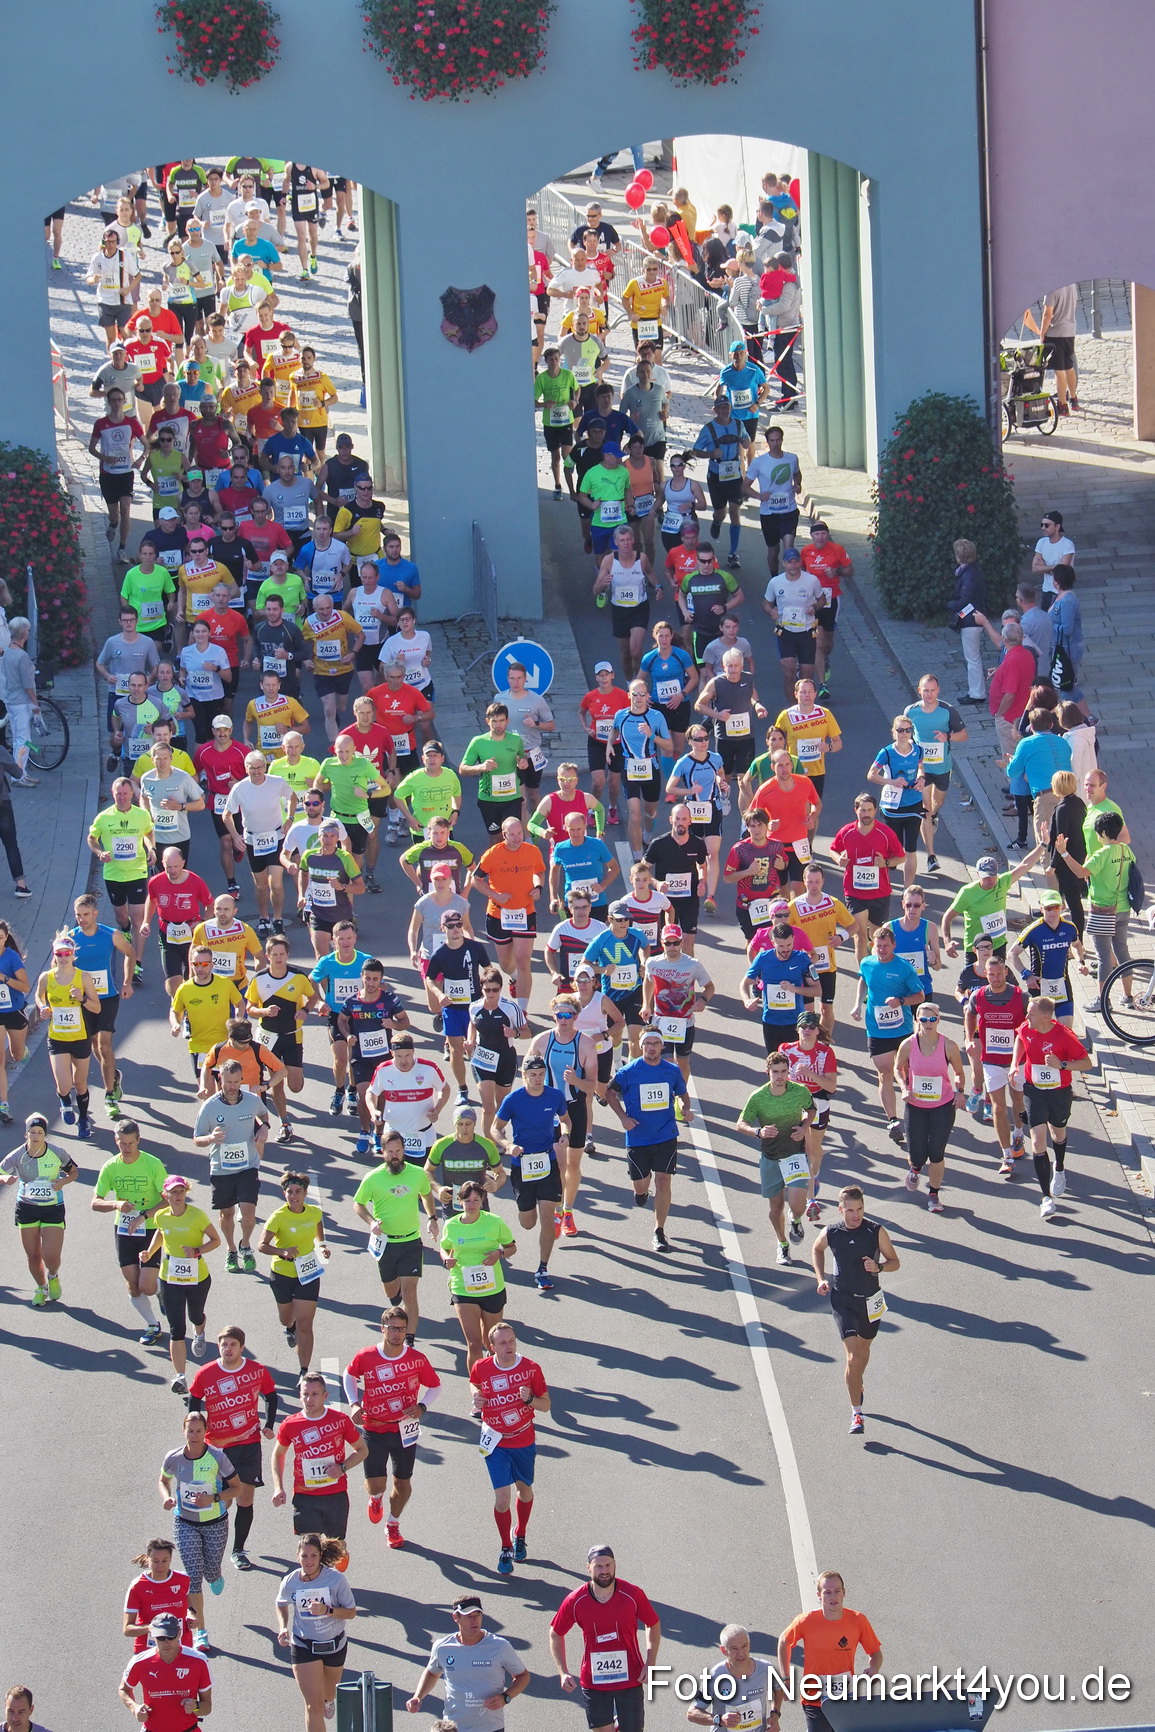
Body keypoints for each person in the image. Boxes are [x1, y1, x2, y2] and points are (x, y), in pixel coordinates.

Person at [343, 1304, 441, 1550]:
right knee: (377, 1484)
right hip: (374, 1428)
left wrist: (422, 1407)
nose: (398, 1334)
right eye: (393, 1329)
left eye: (402, 1329)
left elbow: (435, 1386)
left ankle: (393, 1523)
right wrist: (354, 1403)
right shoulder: (366, 1356)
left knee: (402, 1482)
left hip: (404, 1430)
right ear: (382, 1329)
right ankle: (375, 1499)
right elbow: (349, 1375)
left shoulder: (417, 1359)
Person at [187, 1322, 277, 1571]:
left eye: (233, 1345)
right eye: (224, 1344)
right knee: (217, 1501)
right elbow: (195, 1399)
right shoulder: (205, 1373)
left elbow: (270, 1394)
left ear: (242, 1348)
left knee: (244, 1498)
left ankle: (238, 1550)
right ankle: (207, 1543)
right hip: (215, 1446)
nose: (228, 1348)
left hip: (248, 1443)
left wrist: (268, 1423)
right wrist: (194, 1430)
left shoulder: (256, 1370)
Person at [810, 1191, 900, 1437]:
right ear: (841, 1210)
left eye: (859, 1209)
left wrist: (879, 1266)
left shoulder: (876, 1231)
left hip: (870, 1301)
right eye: (850, 1210)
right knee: (852, 1358)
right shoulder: (832, 1232)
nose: (856, 1215)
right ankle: (856, 1412)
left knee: (863, 1352)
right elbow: (817, 1250)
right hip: (843, 1300)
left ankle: (857, 1379)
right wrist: (820, 1279)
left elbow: (895, 1261)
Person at [550, 1544, 661, 1732]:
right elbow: (555, 1633)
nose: (605, 1571)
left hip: (631, 1678)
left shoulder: (633, 1594)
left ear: (615, 1565)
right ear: (588, 1567)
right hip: (595, 1681)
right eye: (599, 1566)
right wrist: (563, 1672)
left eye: (608, 1565)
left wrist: (650, 1662)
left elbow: (653, 1623)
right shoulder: (576, 1600)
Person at [606, 1028, 692, 1254]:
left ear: (662, 1046)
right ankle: (642, 1192)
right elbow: (609, 1093)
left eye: (656, 1043)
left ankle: (659, 1230)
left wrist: (685, 1108)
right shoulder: (628, 1071)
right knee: (642, 1183)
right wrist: (623, 1118)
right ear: (641, 1046)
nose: (652, 1047)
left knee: (664, 1182)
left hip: (666, 1134)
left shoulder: (671, 1071)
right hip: (638, 1137)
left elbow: (683, 1094)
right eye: (648, 1043)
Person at [159, 1409, 237, 1653]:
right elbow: (163, 1480)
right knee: (193, 1577)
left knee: (210, 1571)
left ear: (206, 1433)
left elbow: (236, 1487)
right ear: (183, 1431)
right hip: (185, 1522)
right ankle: (201, 1632)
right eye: (190, 1431)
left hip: (215, 1522)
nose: (194, 1435)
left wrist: (214, 1498)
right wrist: (167, 1498)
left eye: (199, 1431)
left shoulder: (216, 1457)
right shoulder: (173, 1458)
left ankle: (215, 1574)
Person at [1011, 996, 1093, 1218]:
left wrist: (1062, 1064)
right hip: (1034, 1090)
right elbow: (1020, 1037)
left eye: (1031, 1013)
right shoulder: (1027, 1027)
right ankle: (1046, 1197)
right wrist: (1014, 1064)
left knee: (1058, 1134)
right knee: (1037, 1140)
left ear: (1045, 1017)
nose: (1026, 1016)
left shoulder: (1064, 1035)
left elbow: (1087, 1063)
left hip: (1059, 1092)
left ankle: (1059, 1168)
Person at [353, 1125, 439, 1337]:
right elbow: (358, 1204)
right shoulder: (373, 1178)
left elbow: (427, 1194)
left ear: (404, 1150)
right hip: (386, 1243)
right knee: (393, 1294)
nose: (395, 1156)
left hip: (411, 1242)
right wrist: (371, 1223)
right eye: (390, 1152)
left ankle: (409, 1339)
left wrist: (432, 1218)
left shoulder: (417, 1174)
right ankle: (395, 1291)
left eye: (398, 1151)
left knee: (411, 1293)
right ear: (383, 1152)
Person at [494, 1054, 569, 1292]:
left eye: (541, 1075)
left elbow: (566, 1120)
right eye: (533, 1075)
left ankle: (543, 1268)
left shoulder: (554, 1096)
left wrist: (565, 1133)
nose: (538, 1079)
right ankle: (532, 1215)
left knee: (547, 1219)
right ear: (524, 1076)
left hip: (547, 1162)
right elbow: (495, 1128)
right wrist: (507, 1146)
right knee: (528, 1223)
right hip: (522, 1166)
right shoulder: (513, 1099)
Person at [91, 1119, 168, 1342]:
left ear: (138, 1141)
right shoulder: (111, 1166)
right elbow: (95, 1202)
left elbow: (168, 1199)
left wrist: (144, 1215)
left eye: (131, 1143)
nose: (126, 1148)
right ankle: (152, 1325)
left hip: (151, 1228)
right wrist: (115, 1204)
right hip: (124, 1230)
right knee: (134, 1285)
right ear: (116, 1141)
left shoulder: (153, 1164)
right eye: (122, 1143)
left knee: (147, 1285)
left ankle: (160, 1289)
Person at [192, 1059, 270, 1273]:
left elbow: (263, 1114)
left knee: (248, 1212)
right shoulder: (210, 1106)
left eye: (236, 1081)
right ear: (220, 1080)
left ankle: (245, 1245)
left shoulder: (252, 1101)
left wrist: (264, 1127)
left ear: (241, 1080)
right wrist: (210, 1138)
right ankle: (231, 1249)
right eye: (228, 1082)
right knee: (226, 1214)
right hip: (221, 1168)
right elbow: (197, 1139)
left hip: (248, 1166)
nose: (232, 1086)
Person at [272, 1370, 368, 1544]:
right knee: (309, 1548)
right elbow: (278, 1454)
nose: (309, 1399)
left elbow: (362, 1450)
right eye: (305, 1395)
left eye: (314, 1394)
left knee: (336, 1549)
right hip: (305, 1496)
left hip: (335, 1495)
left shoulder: (340, 1420)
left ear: (325, 1396)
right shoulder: (290, 1424)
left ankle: (332, 1571)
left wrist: (342, 1467)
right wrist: (278, 1487)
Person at [737, 1051, 815, 1264]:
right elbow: (740, 1124)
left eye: (783, 1072)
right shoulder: (758, 1097)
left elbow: (810, 1110)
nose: (780, 1076)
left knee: (798, 1204)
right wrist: (758, 1132)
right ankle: (782, 1244)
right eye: (775, 1072)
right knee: (776, 1207)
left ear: (788, 1071)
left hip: (794, 1155)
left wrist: (804, 1127)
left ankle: (796, 1219)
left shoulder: (800, 1091)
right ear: (768, 1072)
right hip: (771, 1157)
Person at [407, 1593, 531, 1725]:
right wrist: (418, 1696)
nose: (475, 1620)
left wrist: (505, 1697)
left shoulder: (499, 1646)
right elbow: (432, 1673)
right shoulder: (442, 1647)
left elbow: (523, 1676)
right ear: (456, 1617)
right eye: (469, 1616)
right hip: (453, 1726)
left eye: (478, 1615)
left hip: (490, 1727)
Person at [851, 926, 925, 1143]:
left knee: (907, 1071)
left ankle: (916, 1114)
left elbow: (919, 995)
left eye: (886, 946)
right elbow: (863, 981)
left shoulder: (904, 968)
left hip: (901, 1029)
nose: (881, 950)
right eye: (878, 946)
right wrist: (857, 1005)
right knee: (885, 1072)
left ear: (894, 945)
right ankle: (893, 1120)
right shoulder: (867, 963)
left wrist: (900, 1001)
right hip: (876, 1028)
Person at [277, 1533, 357, 1732]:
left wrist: (327, 1610)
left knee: (327, 1696)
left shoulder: (336, 1579)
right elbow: (280, 1603)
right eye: (304, 1556)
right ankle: (322, 1704)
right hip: (304, 1646)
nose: (309, 1561)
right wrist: (283, 1626)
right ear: (297, 1556)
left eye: (313, 1555)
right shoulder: (290, 1581)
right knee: (313, 1706)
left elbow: (351, 1612)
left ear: (320, 1555)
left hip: (334, 1645)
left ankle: (329, 1700)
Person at [774, 1572, 882, 1718]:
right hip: (814, 1697)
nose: (833, 1596)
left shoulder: (858, 1620)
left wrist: (874, 1667)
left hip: (845, 1696)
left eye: (837, 1591)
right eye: (827, 1592)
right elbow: (784, 1641)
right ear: (819, 1595)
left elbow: (875, 1653)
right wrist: (786, 1678)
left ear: (844, 1593)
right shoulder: (805, 1621)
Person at [894, 1005, 966, 1213]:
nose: (927, 1024)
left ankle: (934, 1194)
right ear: (917, 1020)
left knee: (936, 1152)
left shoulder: (949, 1046)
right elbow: (898, 1068)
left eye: (931, 1020)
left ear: (938, 1020)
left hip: (942, 1105)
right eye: (923, 1020)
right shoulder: (908, 1045)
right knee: (916, 1153)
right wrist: (904, 1087)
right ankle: (915, 1168)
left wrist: (959, 1090)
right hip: (915, 1105)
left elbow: (959, 1072)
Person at [0, 1111, 77, 1307]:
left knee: (50, 1256)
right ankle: (41, 1287)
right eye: (32, 1132)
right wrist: (5, 1178)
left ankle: (53, 1275)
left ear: (45, 1134)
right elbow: (0, 1170)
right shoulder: (18, 1155)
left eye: (39, 1132)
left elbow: (73, 1171)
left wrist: (63, 1182)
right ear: (26, 1134)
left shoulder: (58, 1152)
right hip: (26, 1208)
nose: (35, 1136)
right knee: (33, 1255)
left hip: (53, 1207)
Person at [257, 1172, 330, 1372]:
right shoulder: (278, 1217)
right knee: (286, 1318)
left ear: (305, 1193)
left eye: (298, 1191)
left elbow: (318, 1224)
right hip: (282, 1274)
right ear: (284, 1194)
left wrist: (321, 1245)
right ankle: (290, 1328)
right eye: (290, 1192)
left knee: (305, 1324)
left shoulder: (314, 1212)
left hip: (307, 1273)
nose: (294, 1195)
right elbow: (262, 1245)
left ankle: (304, 1371)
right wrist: (282, 1252)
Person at [440, 1177, 516, 1366]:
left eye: (476, 1200)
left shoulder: (494, 1222)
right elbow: (444, 1247)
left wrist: (499, 1253)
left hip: (491, 1287)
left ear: (483, 1201)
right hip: (463, 1287)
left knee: (491, 1343)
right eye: (467, 1200)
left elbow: (511, 1247)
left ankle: (495, 1380)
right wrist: (446, 1259)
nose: (471, 1204)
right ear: (459, 1202)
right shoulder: (451, 1225)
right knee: (473, 1344)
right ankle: (477, 1388)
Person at [35, 933, 102, 1136]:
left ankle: (83, 1120)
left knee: (80, 1083)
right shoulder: (46, 977)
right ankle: (64, 1101)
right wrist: (43, 1007)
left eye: (67, 953)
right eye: (59, 954)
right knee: (64, 1085)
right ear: (54, 955)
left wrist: (81, 999)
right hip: (57, 1038)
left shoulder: (83, 977)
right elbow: (39, 996)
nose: (63, 957)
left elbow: (97, 1008)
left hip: (80, 1037)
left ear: (73, 954)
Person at [903, 673, 967, 870]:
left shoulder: (948, 711)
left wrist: (947, 736)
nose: (929, 694)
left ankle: (935, 814)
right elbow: (904, 733)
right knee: (926, 809)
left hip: (942, 767)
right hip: (922, 768)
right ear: (919, 690)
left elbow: (964, 735)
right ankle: (931, 856)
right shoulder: (911, 711)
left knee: (938, 803)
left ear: (938, 691)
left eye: (932, 690)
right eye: (925, 690)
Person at [830, 793, 905, 959]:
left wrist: (884, 863)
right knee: (860, 935)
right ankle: (864, 977)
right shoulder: (847, 832)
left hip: (880, 892)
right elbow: (833, 849)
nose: (866, 814)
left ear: (875, 810)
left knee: (878, 936)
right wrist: (839, 860)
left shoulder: (885, 833)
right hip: (854, 892)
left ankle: (878, 967)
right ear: (856, 810)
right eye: (862, 810)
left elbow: (901, 857)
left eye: (869, 810)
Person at [942, 848, 1042, 962]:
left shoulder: (1002, 882)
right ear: (978, 874)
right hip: (976, 948)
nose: (991, 881)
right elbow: (948, 917)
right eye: (986, 877)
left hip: (998, 945)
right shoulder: (967, 892)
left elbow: (1025, 865)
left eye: (993, 876)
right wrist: (947, 941)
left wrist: (1043, 844)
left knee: (998, 979)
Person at [866, 715, 927, 887]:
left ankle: (908, 889)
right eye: (900, 730)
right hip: (893, 806)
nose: (904, 733)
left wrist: (921, 779)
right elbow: (871, 775)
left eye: (908, 730)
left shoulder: (918, 750)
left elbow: (921, 768)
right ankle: (885, 882)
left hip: (914, 802)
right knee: (893, 850)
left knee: (911, 849)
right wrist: (891, 782)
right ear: (894, 732)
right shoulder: (886, 753)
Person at [119, 1614, 212, 1723]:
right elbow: (123, 1689)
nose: (166, 1642)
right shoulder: (139, 1662)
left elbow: (207, 1707)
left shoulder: (198, 1661)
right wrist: (134, 1708)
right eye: (161, 1638)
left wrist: (195, 1706)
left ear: (179, 1634)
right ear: (153, 1635)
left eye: (170, 1636)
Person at [1011, 889, 1082, 1027]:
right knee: (1038, 1031)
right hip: (1038, 987)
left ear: (1062, 908)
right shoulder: (1034, 930)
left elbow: (1077, 944)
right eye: (1048, 908)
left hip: (1062, 985)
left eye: (1056, 908)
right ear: (1041, 909)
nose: (1052, 912)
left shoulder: (1069, 927)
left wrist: (1080, 961)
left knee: (1066, 1032)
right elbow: (1012, 954)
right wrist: (1027, 975)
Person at [693, 398, 749, 567]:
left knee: (734, 510)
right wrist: (710, 454)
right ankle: (717, 521)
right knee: (720, 512)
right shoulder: (708, 429)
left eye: (727, 408)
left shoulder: (738, 424)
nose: (725, 411)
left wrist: (745, 443)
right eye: (721, 408)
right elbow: (696, 451)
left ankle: (733, 553)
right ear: (715, 410)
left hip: (734, 474)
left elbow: (746, 440)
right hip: (716, 475)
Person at [687, 1626, 775, 1731]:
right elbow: (692, 1713)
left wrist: (775, 1715)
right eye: (734, 1649)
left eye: (744, 1646)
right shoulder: (715, 1676)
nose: (741, 1653)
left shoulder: (765, 1669)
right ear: (724, 1650)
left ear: (749, 1645)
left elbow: (778, 1689)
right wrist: (719, 1720)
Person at [744, 424, 802, 578]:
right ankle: (775, 578)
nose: (775, 444)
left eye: (778, 440)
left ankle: (790, 579)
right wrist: (759, 496)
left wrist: (798, 485)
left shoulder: (792, 458)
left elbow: (797, 474)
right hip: (769, 513)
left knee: (789, 548)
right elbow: (745, 486)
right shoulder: (759, 462)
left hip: (789, 510)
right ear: (767, 442)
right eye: (772, 441)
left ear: (782, 440)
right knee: (773, 551)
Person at [122, 1537, 191, 1654]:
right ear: (148, 1559)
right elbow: (127, 1629)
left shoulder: (183, 1579)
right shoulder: (138, 1586)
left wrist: (192, 1617)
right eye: (155, 1561)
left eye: (164, 1561)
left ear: (170, 1559)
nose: (160, 1566)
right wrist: (150, 1628)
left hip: (182, 1649)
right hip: (149, 1652)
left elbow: (191, 1608)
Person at [1026, 291, 1080, 414]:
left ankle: (1062, 404)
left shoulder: (1052, 291)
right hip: (1070, 332)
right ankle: (1074, 398)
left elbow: (1047, 315)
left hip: (1056, 334)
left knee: (1059, 371)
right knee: (1069, 366)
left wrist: (1042, 333)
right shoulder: (1071, 286)